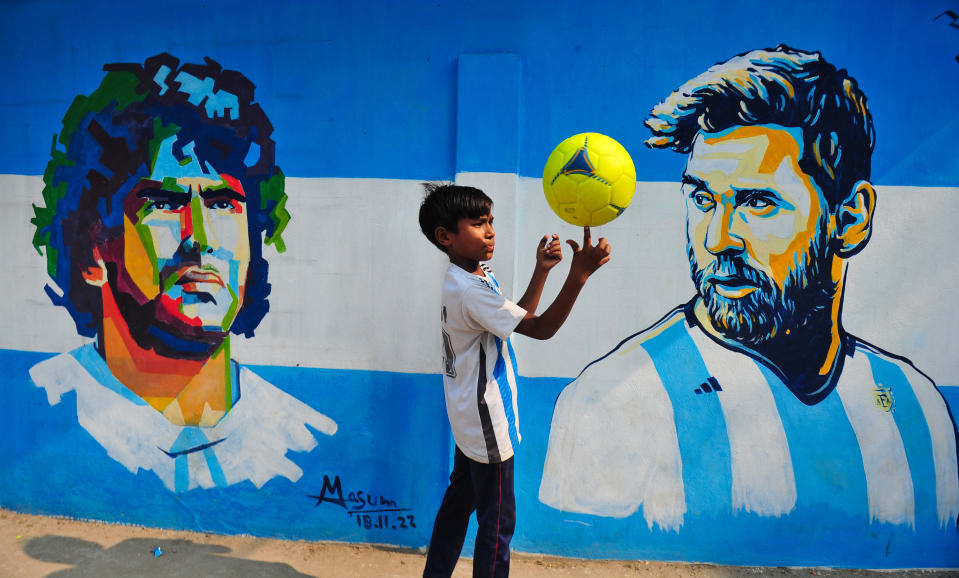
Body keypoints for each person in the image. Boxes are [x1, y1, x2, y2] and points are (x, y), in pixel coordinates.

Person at [539, 46, 959, 532]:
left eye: (758, 202)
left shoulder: (917, 409)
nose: (718, 239)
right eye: (702, 198)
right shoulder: (610, 403)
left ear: (850, 219)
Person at [28, 53, 336, 493]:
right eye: (163, 205)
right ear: (92, 254)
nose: (200, 237)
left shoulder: (301, 440)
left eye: (222, 204)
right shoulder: (44, 403)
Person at [418, 182, 611, 577]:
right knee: (497, 524)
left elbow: (514, 319)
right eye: (476, 223)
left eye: (491, 221)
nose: (490, 230)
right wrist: (579, 275)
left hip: (468, 418)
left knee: (459, 505)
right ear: (445, 236)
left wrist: (542, 271)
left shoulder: (471, 276)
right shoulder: (470, 290)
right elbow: (540, 329)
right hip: (488, 423)